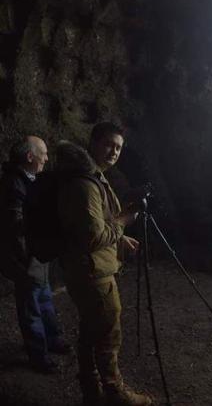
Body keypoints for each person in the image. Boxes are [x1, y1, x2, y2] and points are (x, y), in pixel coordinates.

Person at [57, 123, 151, 406]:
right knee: (108, 333)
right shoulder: (86, 184)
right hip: (92, 272)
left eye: (119, 147)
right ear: (93, 142)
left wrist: (119, 241)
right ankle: (114, 392)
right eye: (109, 144)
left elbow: (88, 228)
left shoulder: (93, 177)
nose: (114, 151)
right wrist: (124, 222)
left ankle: (91, 389)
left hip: (86, 266)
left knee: (91, 329)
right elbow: (95, 235)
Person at [0, 135, 70, 373]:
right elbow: (15, 227)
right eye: (43, 153)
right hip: (27, 257)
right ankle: (38, 355)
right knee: (31, 307)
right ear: (30, 156)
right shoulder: (14, 184)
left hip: (37, 254)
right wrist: (26, 259)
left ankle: (52, 339)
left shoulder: (30, 180)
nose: (47, 158)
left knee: (44, 297)